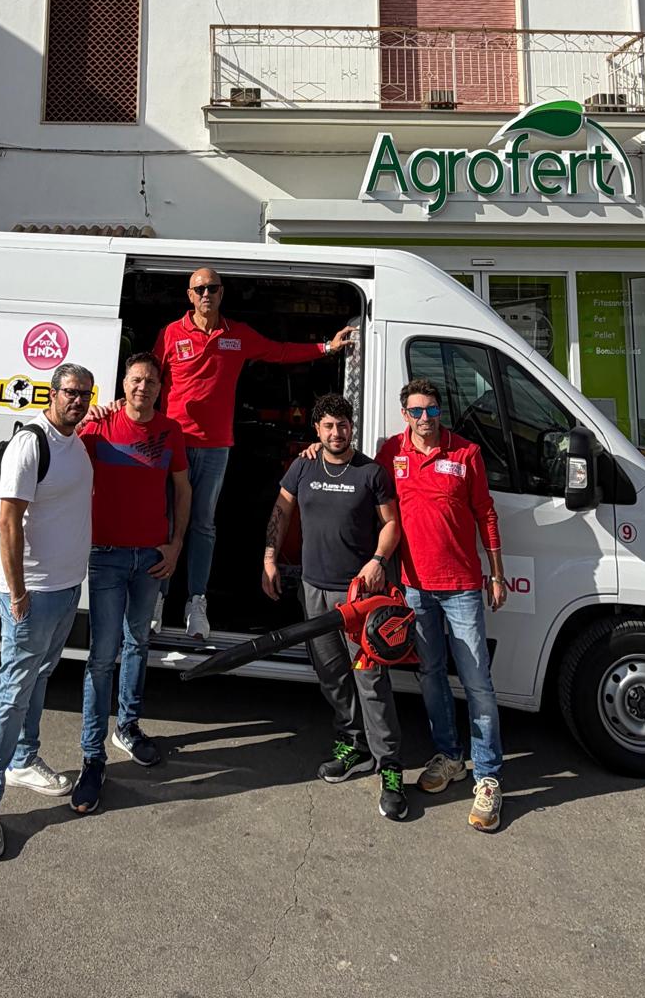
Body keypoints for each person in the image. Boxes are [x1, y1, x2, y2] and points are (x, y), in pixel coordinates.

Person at [154, 266, 355, 639]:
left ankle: (196, 603)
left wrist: (327, 348)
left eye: (213, 288)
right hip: (174, 445)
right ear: (190, 295)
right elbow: (145, 382)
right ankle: (157, 598)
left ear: (222, 293)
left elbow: (280, 352)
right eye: (200, 289)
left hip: (215, 447)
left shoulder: (237, 334)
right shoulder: (170, 334)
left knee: (203, 525)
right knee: (165, 522)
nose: (206, 294)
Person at [262, 393, 407, 821]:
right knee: (331, 675)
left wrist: (378, 560)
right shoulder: (303, 466)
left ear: (351, 427)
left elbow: (392, 523)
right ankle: (354, 745)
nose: (336, 432)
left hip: (359, 597)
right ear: (317, 430)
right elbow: (281, 511)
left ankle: (390, 766)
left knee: (371, 679)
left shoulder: (371, 472)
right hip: (314, 590)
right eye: (328, 426)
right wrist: (270, 558)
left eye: (342, 425)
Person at [0, 362, 95, 861]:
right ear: (52, 393)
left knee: (39, 676)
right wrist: (18, 593)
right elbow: (8, 522)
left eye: (85, 394)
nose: (78, 401)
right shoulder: (30, 443)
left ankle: (24, 759)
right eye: (70, 392)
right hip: (33, 593)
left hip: (65, 588)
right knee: (12, 693)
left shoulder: (76, 442)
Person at [375, 379, 507, 834]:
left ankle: (488, 776)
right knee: (430, 675)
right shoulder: (391, 452)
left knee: (478, 683)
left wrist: (496, 573)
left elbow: (486, 513)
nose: (425, 419)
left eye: (431, 410)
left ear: (440, 412)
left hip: (462, 587)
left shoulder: (466, 453)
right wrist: (315, 448)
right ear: (404, 415)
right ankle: (450, 756)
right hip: (415, 587)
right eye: (416, 411)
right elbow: (363, 484)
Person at [71, 351, 192, 815]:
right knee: (102, 657)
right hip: (105, 556)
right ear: (124, 384)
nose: (144, 386)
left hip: (150, 558)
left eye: (152, 381)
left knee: (138, 642)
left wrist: (175, 545)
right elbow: (61, 459)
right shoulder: (100, 426)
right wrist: (86, 422)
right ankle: (92, 758)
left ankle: (128, 727)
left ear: (161, 388)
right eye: (136, 379)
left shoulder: (170, 431)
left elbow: (183, 490)